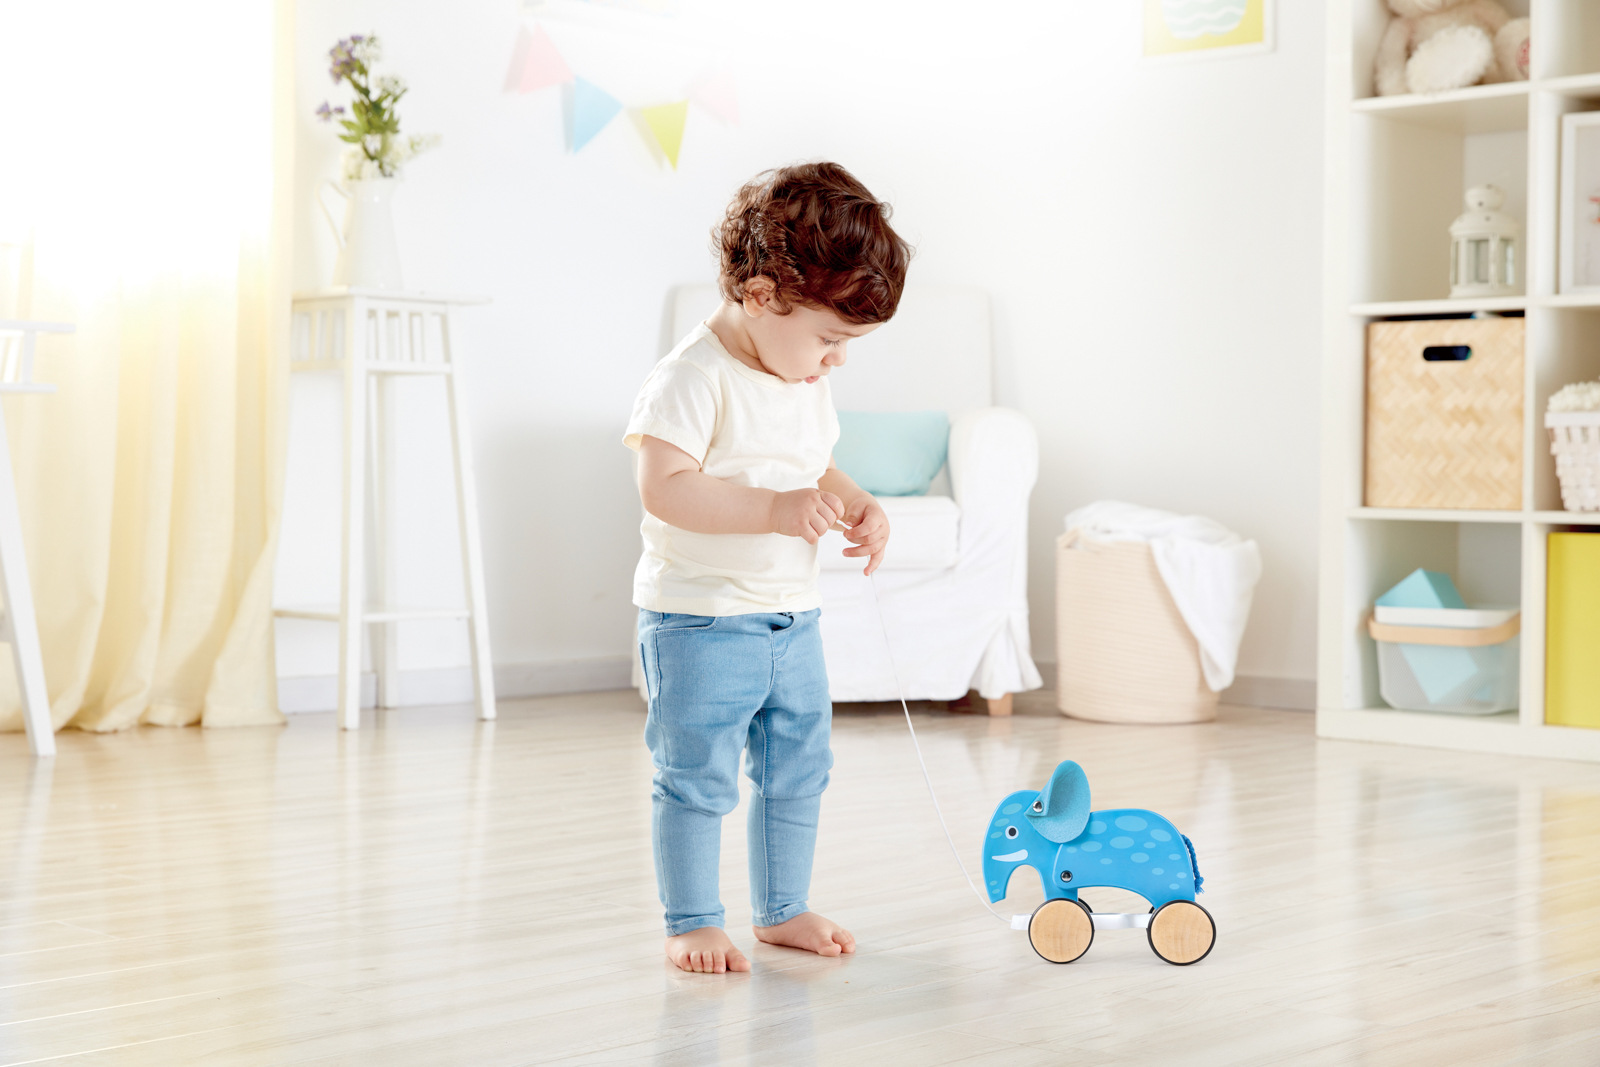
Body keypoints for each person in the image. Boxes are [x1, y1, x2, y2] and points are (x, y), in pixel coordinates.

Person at [624, 162, 912, 974]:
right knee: (697, 776)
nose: (835, 360)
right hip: (700, 621)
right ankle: (691, 919)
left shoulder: (803, 377)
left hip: (792, 618)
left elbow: (815, 466)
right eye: (829, 338)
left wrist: (857, 502)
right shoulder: (691, 377)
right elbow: (664, 486)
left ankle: (782, 907)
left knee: (799, 769)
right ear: (760, 294)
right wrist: (776, 510)